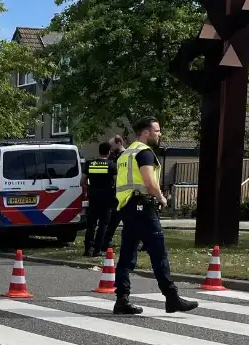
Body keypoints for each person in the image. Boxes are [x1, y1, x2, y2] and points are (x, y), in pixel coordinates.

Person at [112, 117, 197, 315]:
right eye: (157, 131)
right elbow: (150, 183)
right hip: (143, 205)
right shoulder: (144, 153)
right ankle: (172, 297)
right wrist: (162, 198)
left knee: (127, 254)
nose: (160, 134)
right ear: (145, 132)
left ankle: (121, 299)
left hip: (127, 207)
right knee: (158, 253)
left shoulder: (125, 155)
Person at [84, 141, 116, 257]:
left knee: (91, 224)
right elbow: (117, 181)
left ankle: (87, 249)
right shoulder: (111, 165)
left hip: (93, 198)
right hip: (106, 198)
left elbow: (82, 181)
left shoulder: (90, 164)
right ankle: (97, 249)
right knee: (103, 224)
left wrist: (90, 188)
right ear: (108, 152)